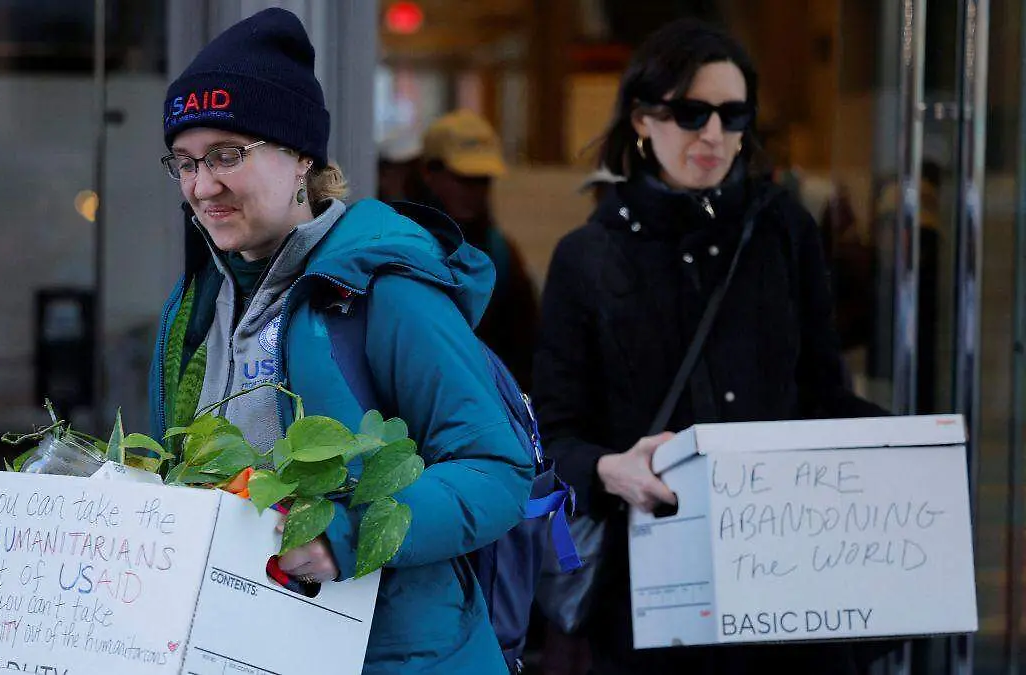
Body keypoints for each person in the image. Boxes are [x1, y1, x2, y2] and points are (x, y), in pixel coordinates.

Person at [145, 9, 531, 673]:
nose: (202, 187)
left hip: (396, 654)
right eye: (184, 162)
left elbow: (495, 469)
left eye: (227, 155)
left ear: (301, 158)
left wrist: (342, 536)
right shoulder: (193, 304)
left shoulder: (386, 289)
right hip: (246, 646)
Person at [532, 18, 886, 675]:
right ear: (643, 119)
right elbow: (554, 434)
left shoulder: (784, 232)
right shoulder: (588, 257)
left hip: (786, 582)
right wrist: (610, 469)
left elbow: (822, 392)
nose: (714, 135)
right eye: (691, 113)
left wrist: (902, 453)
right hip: (652, 591)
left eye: (734, 115)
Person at [416, 110, 539, 390]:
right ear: (429, 173)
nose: (473, 191)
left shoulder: (503, 256)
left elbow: (525, 352)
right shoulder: (401, 247)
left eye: (482, 180)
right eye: (463, 178)